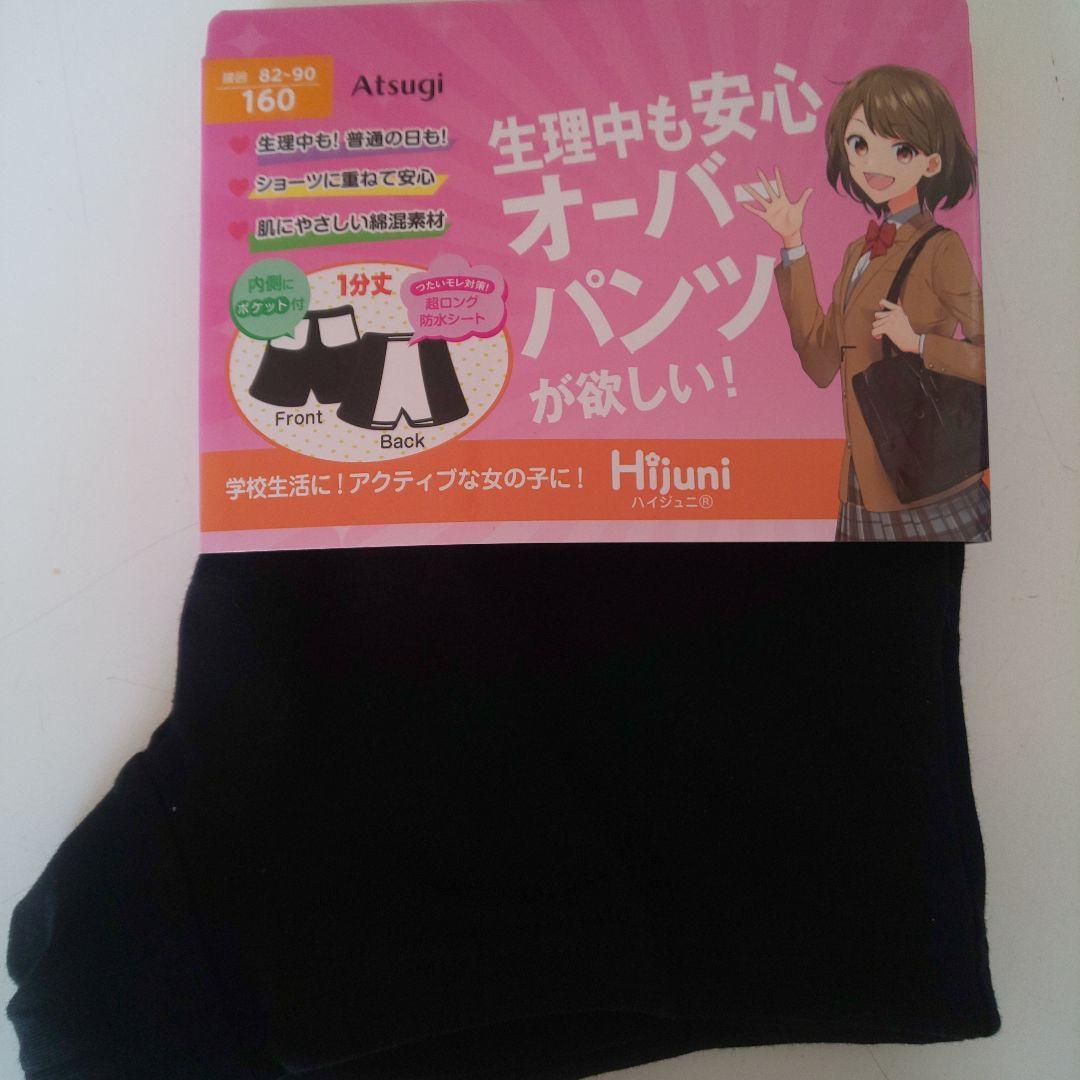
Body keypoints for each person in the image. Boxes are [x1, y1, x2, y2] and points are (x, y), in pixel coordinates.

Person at [743, 65, 989, 541]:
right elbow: (819, 362)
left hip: (928, 482)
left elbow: (994, 362)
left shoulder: (942, 248)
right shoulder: (858, 252)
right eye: (860, 144)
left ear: (931, 163)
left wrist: (919, 343)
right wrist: (792, 243)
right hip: (862, 484)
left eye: (900, 149)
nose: (873, 161)